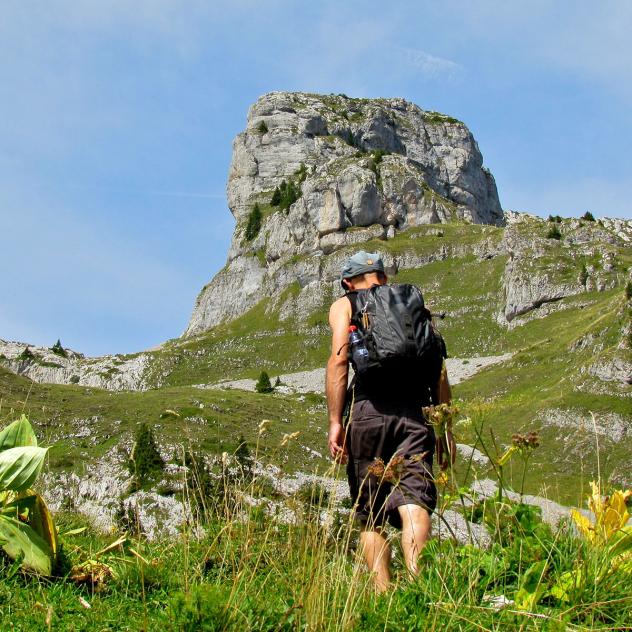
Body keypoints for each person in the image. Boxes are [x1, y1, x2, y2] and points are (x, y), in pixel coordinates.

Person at [326, 250, 455, 592]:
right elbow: (438, 371)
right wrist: (445, 432)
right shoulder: (412, 305)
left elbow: (339, 361)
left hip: (368, 411)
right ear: (382, 276)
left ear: (346, 282)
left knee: (371, 514)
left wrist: (335, 421)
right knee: (414, 501)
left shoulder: (346, 304)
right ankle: (419, 586)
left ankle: (385, 599)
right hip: (416, 413)